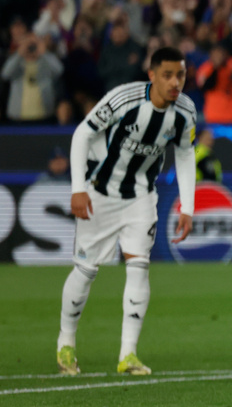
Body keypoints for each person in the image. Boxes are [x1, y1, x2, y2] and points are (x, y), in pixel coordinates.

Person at [56, 47, 197, 376]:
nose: (175, 82)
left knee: (139, 266)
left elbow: (186, 155)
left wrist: (188, 207)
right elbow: (82, 134)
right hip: (101, 193)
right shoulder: (124, 98)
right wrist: (78, 188)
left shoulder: (186, 112)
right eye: (168, 75)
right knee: (86, 269)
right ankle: (66, 343)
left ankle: (128, 354)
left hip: (141, 198)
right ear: (152, 75)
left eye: (181, 75)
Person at [2, 34, 64, 122]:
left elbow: (59, 70)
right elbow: (5, 74)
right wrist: (19, 53)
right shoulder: (17, 65)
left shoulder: (45, 64)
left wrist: (44, 52)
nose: (31, 47)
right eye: (28, 44)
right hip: (17, 119)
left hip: (44, 118)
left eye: (34, 44)